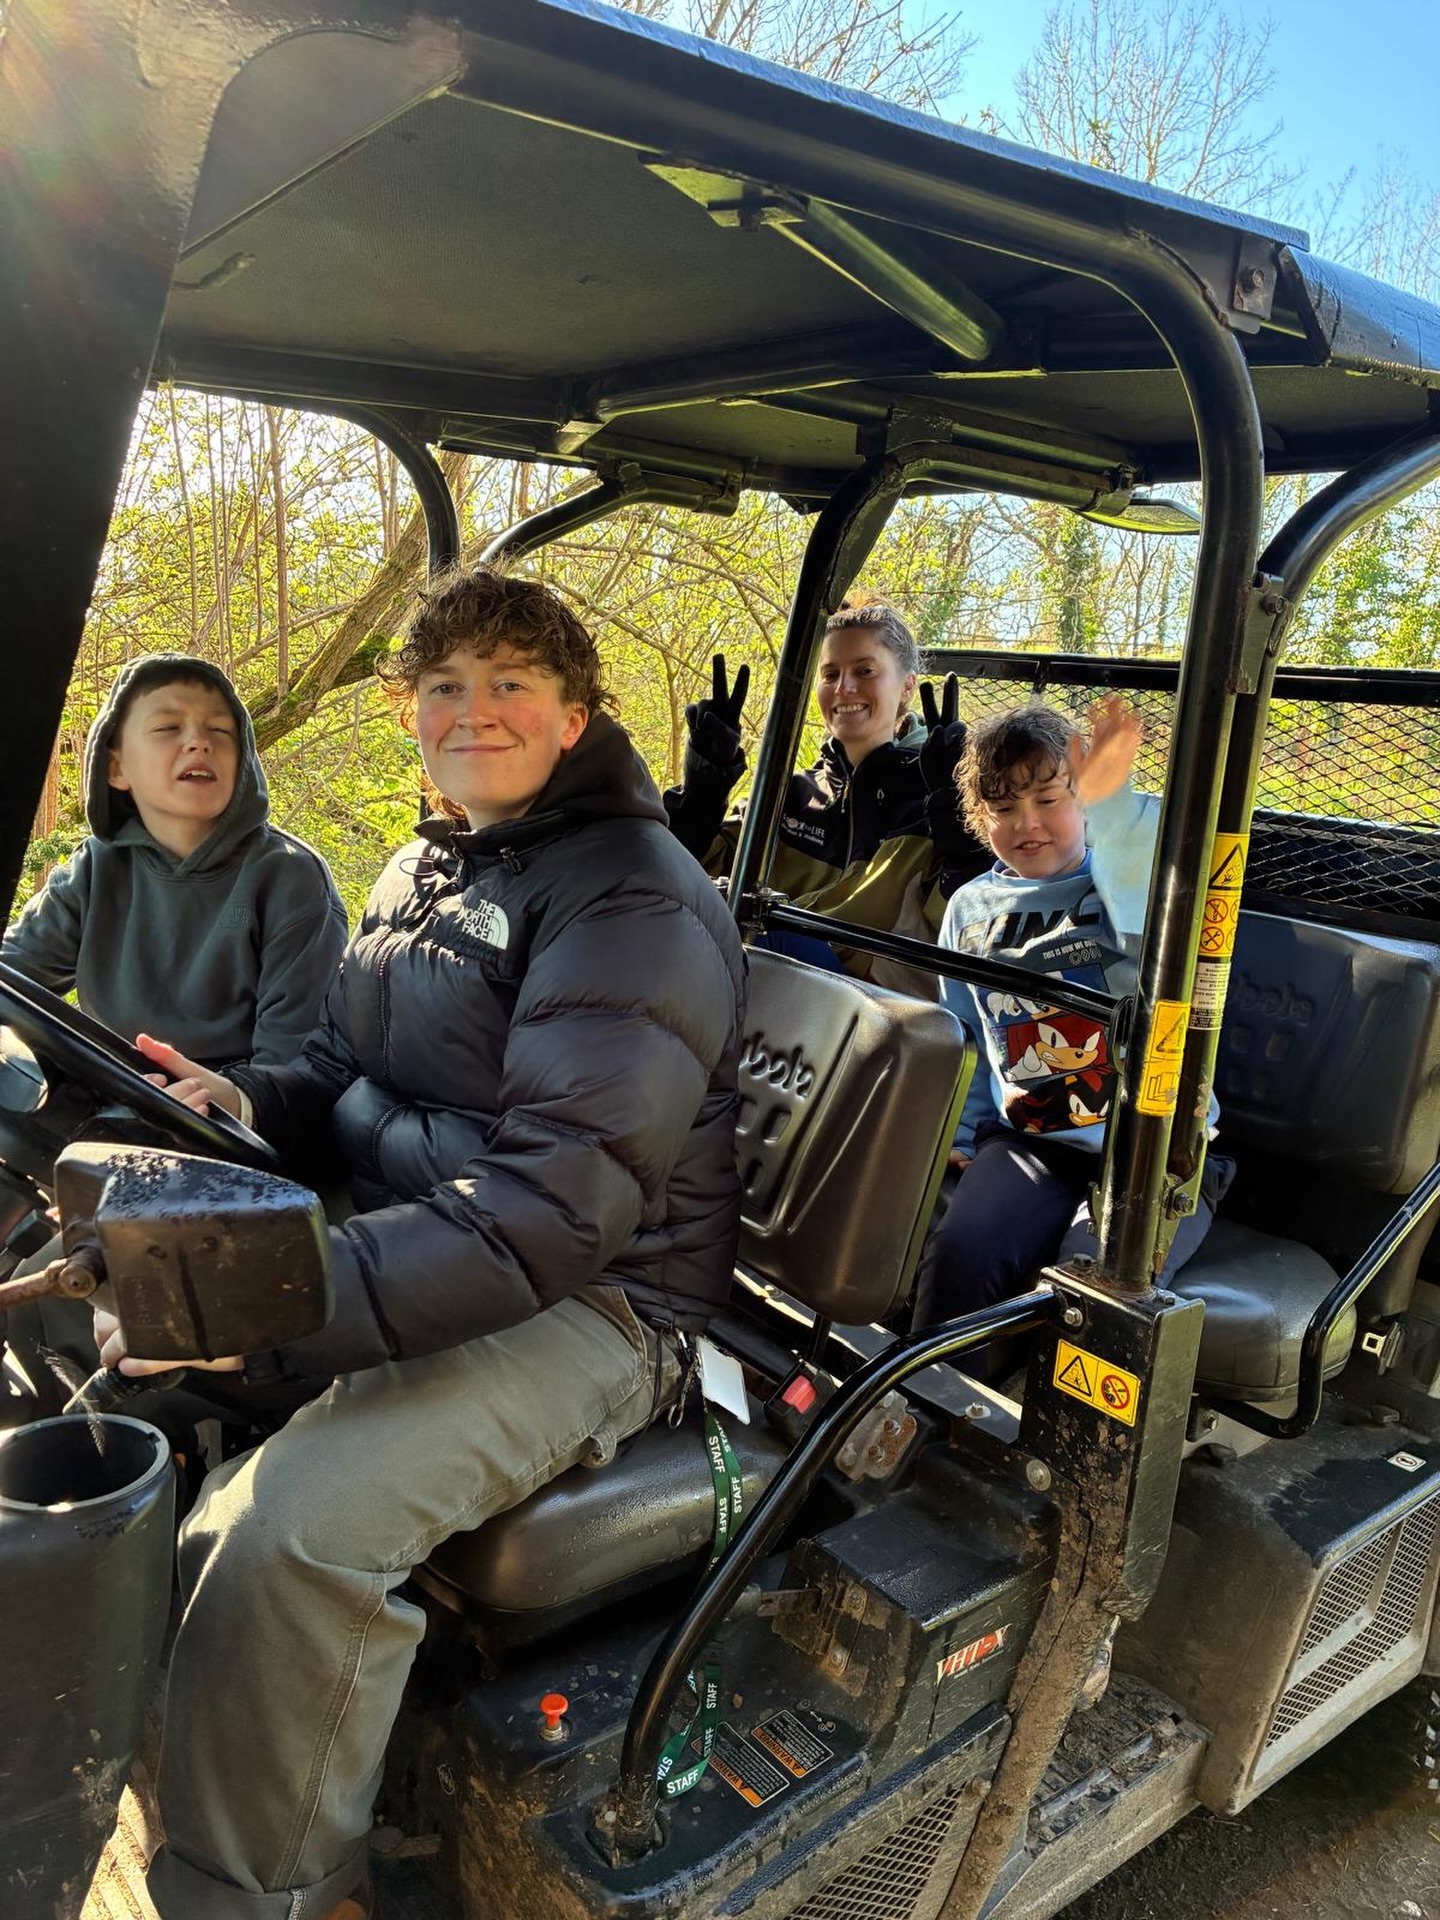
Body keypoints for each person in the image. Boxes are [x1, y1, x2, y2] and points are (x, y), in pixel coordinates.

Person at [92, 567, 748, 1920]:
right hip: (426, 1239)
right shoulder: (426, 861)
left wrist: (279, 1307)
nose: (475, 709)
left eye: (513, 681)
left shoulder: (636, 900)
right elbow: (333, 1066)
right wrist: (243, 1102)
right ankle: (145, 1758)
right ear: (410, 715)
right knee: (122, 1388)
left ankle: (266, 1891)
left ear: (576, 715)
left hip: (602, 1309)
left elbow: (551, 1216)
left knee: (289, 1535)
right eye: (445, 685)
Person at [911, 695, 1232, 1331]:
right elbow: (968, 1030)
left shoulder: (1120, 880)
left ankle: (1066, 1430)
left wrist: (1114, 809)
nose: (1026, 823)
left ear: (1083, 799)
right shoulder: (970, 909)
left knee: (1096, 1282)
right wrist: (965, 1132)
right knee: (959, 1256)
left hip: (1153, 1146)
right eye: (1002, 808)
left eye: (1049, 800)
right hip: (1033, 1140)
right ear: (980, 819)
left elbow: (1164, 918)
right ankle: (932, 1415)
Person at [4, 652, 346, 1070]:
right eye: (167, 727)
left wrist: (226, 1101)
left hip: (230, 1116)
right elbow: (12, 981)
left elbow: (293, 1067)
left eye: (220, 730)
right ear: (116, 767)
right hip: (105, 1100)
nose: (199, 741)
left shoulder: (289, 879)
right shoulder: (94, 869)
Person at [663, 593, 988, 987]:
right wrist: (705, 785)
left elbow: (968, 930)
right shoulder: (790, 796)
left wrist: (964, 833)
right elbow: (687, 876)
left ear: (907, 687)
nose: (844, 688)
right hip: (756, 993)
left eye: (865, 671)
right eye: (830, 674)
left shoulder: (934, 801)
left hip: (872, 1013)